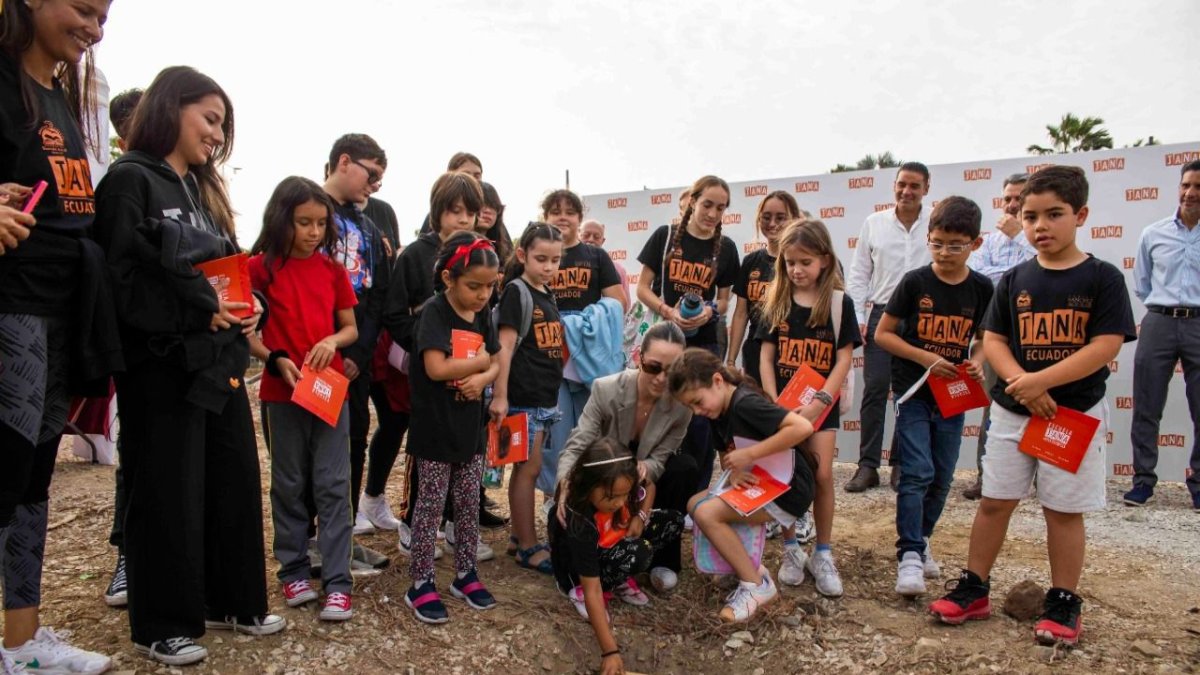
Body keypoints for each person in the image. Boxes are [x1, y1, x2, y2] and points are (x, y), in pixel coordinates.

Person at [93, 65, 282, 666]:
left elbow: (228, 267)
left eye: (222, 126)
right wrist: (202, 307)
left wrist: (250, 304)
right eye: (210, 119)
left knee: (232, 479)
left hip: (217, 364)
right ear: (170, 108)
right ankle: (162, 624)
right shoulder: (130, 180)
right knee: (167, 491)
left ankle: (232, 601)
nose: (217, 136)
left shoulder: (202, 192)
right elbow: (121, 283)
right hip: (161, 367)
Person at [930, 166, 1136, 646]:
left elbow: (1105, 344)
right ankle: (974, 588)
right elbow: (994, 340)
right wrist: (1022, 385)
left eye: (1054, 214)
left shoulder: (1102, 277)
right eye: (1030, 217)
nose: (1040, 226)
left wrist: (1040, 382)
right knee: (994, 501)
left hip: (1071, 413)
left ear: (1081, 215)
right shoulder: (1014, 278)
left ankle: (1063, 601)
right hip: (1012, 411)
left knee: (1062, 510)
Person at [0, 1, 121, 672]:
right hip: (11, 307)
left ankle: (22, 642)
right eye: (83, 9)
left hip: (62, 310)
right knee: (6, 469)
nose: (93, 29)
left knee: (32, 480)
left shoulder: (60, 96)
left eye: (103, 18)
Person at [248, 176, 359, 621]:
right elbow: (248, 335)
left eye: (321, 223)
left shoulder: (332, 271)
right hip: (282, 393)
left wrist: (332, 341)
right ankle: (293, 570)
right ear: (282, 220)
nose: (314, 232)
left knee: (333, 484)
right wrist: (274, 359)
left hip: (329, 392)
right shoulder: (259, 269)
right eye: (303, 222)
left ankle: (338, 582)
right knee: (289, 483)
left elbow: (349, 328)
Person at [874, 196, 992, 597]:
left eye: (955, 246)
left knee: (942, 475)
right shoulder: (915, 282)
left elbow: (984, 340)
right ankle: (908, 554)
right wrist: (927, 358)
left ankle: (922, 539)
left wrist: (976, 362)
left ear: (975, 244)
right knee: (917, 471)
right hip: (912, 391)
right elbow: (882, 334)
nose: (944, 253)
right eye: (937, 243)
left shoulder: (982, 288)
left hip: (953, 395)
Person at [385, 172, 506, 563]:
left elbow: (493, 353)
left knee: (466, 482)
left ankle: (459, 540)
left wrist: (481, 373)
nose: (464, 219)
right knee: (428, 475)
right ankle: (415, 535)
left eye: (471, 212)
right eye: (455, 211)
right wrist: (430, 346)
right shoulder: (415, 257)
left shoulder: (482, 267)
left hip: (467, 403)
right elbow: (395, 314)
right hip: (429, 385)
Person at [672, 349, 816, 623]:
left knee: (707, 514)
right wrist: (735, 471)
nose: (697, 411)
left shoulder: (744, 404)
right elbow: (726, 452)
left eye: (698, 402)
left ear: (717, 381)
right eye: (690, 407)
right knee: (694, 503)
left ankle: (756, 586)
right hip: (762, 480)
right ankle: (740, 567)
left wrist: (750, 455)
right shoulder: (717, 411)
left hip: (788, 488)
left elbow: (801, 428)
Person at [757, 219, 859, 597]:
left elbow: (843, 359)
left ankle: (824, 553)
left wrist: (820, 403)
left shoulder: (839, 303)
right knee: (787, 475)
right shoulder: (776, 301)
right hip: (784, 408)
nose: (797, 270)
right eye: (790, 263)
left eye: (805, 262)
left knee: (821, 475)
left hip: (821, 406)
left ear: (824, 260)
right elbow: (766, 357)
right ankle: (790, 549)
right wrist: (773, 403)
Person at [555, 322, 695, 594]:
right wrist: (565, 483)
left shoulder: (682, 407)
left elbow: (661, 459)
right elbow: (577, 445)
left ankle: (663, 560)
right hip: (604, 478)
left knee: (684, 468)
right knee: (582, 487)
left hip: (641, 484)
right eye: (654, 367)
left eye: (672, 371)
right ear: (638, 358)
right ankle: (584, 562)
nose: (661, 378)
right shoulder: (606, 389)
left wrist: (643, 469)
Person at [404, 231, 501, 624]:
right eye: (474, 286)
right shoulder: (434, 312)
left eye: (489, 287)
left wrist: (483, 378)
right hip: (434, 429)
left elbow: (496, 360)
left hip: (470, 429)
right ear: (449, 278)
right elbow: (435, 367)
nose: (482, 295)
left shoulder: (483, 315)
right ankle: (421, 582)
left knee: (467, 503)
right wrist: (480, 364)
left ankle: (466, 574)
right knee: (430, 506)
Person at [637, 176, 741, 493]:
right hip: (667, 339)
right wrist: (668, 311)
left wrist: (709, 311)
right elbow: (642, 288)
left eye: (720, 208)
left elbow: (724, 301)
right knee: (658, 411)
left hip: (704, 343)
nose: (712, 213)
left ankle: (694, 498)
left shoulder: (727, 248)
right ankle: (651, 494)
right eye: (707, 204)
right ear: (693, 201)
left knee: (701, 421)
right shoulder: (665, 236)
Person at [549, 438, 685, 675]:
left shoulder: (624, 480)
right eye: (611, 497)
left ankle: (619, 573)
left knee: (673, 521)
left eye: (625, 495)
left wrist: (640, 516)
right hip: (582, 571)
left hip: (615, 538)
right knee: (639, 553)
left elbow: (650, 486)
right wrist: (610, 652)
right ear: (589, 485)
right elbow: (593, 589)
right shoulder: (579, 518)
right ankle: (586, 589)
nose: (620, 502)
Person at [321, 133, 392, 571]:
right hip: (308, 355)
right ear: (344, 161)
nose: (375, 185)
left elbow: (379, 293)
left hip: (353, 362)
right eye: (372, 174)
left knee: (352, 443)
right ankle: (307, 542)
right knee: (307, 451)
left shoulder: (369, 228)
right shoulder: (302, 208)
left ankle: (342, 538)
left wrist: (360, 354)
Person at [845, 162, 933, 492]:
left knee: (909, 393)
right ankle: (867, 466)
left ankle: (900, 464)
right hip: (882, 314)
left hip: (924, 318)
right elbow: (859, 274)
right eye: (901, 184)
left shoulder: (935, 221)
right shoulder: (874, 223)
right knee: (876, 388)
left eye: (914, 185)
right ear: (894, 185)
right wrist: (858, 317)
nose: (906, 191)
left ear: (926, 188)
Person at [1123, 160, 1200, 510]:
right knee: (1146, 404)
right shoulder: (1153, 233)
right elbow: (1142, 283)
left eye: (1198, 187)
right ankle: (1142, 481)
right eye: (1186, 185)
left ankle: (1198, 484)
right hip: (1159, 320)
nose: (1190, 193)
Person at [490, 223, 566, 574]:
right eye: (541, 259)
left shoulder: (546, 293)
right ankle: (528, 545)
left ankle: (518, 537)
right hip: (523, 399)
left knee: (528, 469)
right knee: (528, 470)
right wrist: (501, 396)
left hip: (543, 399)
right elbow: (504, 348)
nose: (549, 267)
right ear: (522, 255)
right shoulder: (516, 292)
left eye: (555, 260)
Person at [543, 190, 627, 498]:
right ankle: (553, 497)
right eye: (555, 211)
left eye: (570, 211)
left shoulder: (595, 256)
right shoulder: (538, 252)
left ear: (579, 218)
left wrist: (579, 324)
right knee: (554, 431)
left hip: (587, 357)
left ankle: (586, 496)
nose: (562, 217)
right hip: (548, 353)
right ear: (545, 217)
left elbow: (618, 302)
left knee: (588, 429)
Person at [962, 172, 1034, 500]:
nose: (1012, 204)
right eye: (1008, 198)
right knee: (993, 405)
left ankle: (1044, 476)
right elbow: (980, 277)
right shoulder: (988, 241)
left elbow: (1042, 271)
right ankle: (986, 477)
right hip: (996, 335)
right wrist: (1016, 274)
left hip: (1036, 336)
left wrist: (1021, 237)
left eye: (1019, 198)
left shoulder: (1041, 241)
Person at [100, 85, 142, 609]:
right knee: (133, 454)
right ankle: (127, 556)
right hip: (135, 349)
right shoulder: (123, 182)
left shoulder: (188, 182)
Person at [729, 191, 802, 382]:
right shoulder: (751, 261)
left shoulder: (801, 263)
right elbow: (741, 314)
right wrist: (730, 361)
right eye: (766, 217)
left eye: (781, 217)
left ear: (794, 219)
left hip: (791, 354)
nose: (772, 223)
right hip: (755, 352)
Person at [579, 219, 629, 304]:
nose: (591, 239)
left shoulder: (618, 269)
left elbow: (623, 305)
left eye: (596, 237)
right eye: (586, 235)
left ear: (602, 241)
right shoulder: (565, 263)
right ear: (578, 236)